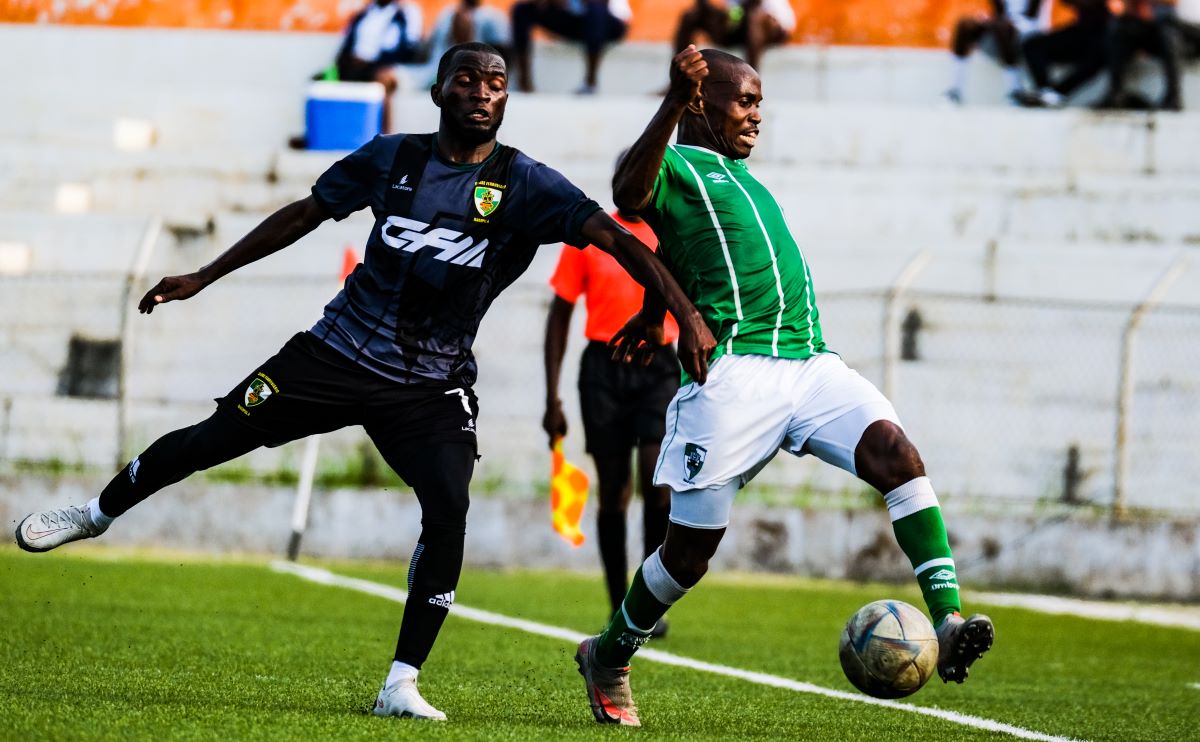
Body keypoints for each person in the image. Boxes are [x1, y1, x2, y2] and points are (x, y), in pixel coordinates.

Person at [14, 42, 715, 724]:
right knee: (209, 438)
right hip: (335, 353)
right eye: (466, 79)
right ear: (437, 92)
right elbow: (304, 214)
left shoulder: (527, 183)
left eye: (496, 82)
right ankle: (94, 514)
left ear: (507, 99)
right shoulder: (393, 157)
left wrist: (682, 314)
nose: (482, 92)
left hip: (429, 386)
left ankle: (401, 682)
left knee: (449, 508)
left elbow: (621, 239)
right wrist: (205, 274)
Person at [572, 46, 995, 727]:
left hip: (809, 361)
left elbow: (679, 247)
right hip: (736, 372)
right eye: (745, 100)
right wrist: (672, 101)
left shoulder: (739, 177)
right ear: (701, 103)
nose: (756, 115)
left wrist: (655, 311)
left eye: (759, 103)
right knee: (688, 553)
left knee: (897, 455)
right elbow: (627, 194)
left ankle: (946, 620)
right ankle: (610, 653)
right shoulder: (675, 162)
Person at [543, 204, 678, 636]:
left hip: (658, 363)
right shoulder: (592, 234)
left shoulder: (671, 232)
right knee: (614, 489)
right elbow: (560, 314)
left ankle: (648, 603)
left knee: (657, 481)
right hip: (604, 368)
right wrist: (552, 397)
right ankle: (619, 606)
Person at [333, 0, 424, 133]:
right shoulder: (365, 12)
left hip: (381, 66)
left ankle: (383, 136)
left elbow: (409, 50)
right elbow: (347, 45)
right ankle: (329, 134)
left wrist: (374, 62)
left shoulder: (405, 12)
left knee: (382, 79)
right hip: (354, 66)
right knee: (321, 81)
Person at [510, 0, 632, 94]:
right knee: (521, 9)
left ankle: (590, 83)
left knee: (595, 8)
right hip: (577, 22)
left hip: (610, 23)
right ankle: (524, 83)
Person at [945, 0, 1052, 105]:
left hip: (1029, 35)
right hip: (1001, 32)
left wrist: (1006, 21)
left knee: (1002, 26)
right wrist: (987, 20)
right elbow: (1000, 14)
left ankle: (1015, 90)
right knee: (965, 24)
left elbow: (1032, 20)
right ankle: (956, 90)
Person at [1018, 0, 1111, 107]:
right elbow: (1031, 13)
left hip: (1108, 34)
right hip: (1082, 30)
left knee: (1098, 56)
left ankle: (1057, 93)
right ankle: (1046, 91)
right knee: (1032, 46)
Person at [1096, 0, 1184, 110]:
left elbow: (1172, 2)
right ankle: (1116, 94)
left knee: (1169, 36)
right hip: (1142, 27)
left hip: (1174, 29)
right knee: (1116, 33)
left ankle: (1173, 97)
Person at [671, 0, 795, 71]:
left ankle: (752, 82)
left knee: (753, 15)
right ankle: (679, 79)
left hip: (774, 28)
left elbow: (754, 5)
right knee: (691, 16)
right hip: (738, 26)